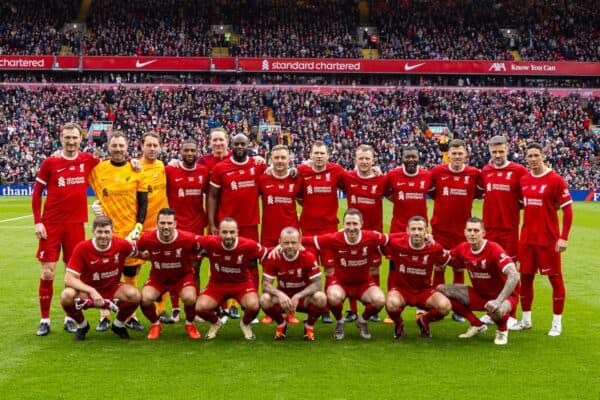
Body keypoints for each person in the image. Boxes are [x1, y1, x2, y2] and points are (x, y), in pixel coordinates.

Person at [32, 122, 100, 336]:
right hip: (51, 224)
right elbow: (36, 193)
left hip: (76, 224)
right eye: (67, 137)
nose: (71, 141)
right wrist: (38, 221)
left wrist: (134, 162)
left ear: (81, 139)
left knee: (72, 274)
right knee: (48, 272)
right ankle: (45, 319)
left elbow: (112, 166)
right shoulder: (50, 162)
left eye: (74, 138)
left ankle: (69, 317)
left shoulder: (88, 160)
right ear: (61, 138)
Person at [89, 131, 148, 332]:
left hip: (130, 232)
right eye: (114, 146)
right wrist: (94, 204)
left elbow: (143, 203)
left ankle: (129, 314)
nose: (118, 149)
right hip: (106, 233)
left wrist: (139, 226)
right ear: (108, 147)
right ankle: (104, 314)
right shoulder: (98, 169)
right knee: (105, 273)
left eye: (121, 146)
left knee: (131, 271)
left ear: (127, 147)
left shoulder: (137, 170)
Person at [303, 208, 388, 340]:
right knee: (331, 297)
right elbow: (310, 240)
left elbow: (391, 239)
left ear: (361, 224)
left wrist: (424, 238)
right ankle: (340, 321)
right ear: (343, 224)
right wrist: (287, 243)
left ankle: (363, 320)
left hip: (363, 284)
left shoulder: (371, 237)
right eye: (348, 224)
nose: (351, 228)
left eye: (355, 223)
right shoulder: (335, 238)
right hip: (341, 283)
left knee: (380, 300)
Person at [516, 142, 573, 336]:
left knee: (555, 280)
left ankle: (557, 323)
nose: (532, 159)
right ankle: (525, 320)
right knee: (525, 279)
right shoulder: (524, 179)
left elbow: (568, 210)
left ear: (543, 156)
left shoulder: (555, 180)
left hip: (548, 240)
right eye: (529, 156)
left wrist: (563, 238)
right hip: (526, 240)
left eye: (536, 155)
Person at [437, 218, 520, 345]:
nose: (472, 233)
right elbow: (446, 257)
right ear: (464, 232)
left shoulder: (494, 248)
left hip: (504, 298)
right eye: (469, 230)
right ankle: (477, 324)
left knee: (497, 311)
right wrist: (431, 245)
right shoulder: (463, 248)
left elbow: (514, 275)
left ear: (483, 233)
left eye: (476, 230)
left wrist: (498, 301)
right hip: (480, 295)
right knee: (441, 289)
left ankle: (502, 331)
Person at [59, 216, 141, 341]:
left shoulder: (121, 244)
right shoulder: (82, 248)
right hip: (88, 290)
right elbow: (69, 279)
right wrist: (92, 291)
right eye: (100, 232)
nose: (103, 235)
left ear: (112, 232)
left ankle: (118, 325)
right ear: (93, 232)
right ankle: (82, 326)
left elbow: (141, 254)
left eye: (107, 232)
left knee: (135, 295)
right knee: (66, 295)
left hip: (113, 287)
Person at [207, 133, 266, 290]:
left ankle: (251, 300)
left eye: (242, 144)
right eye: (236, 144)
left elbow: (277, 168)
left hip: (250, 224)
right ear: (230, 146)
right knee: (223, 261)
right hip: (226, 224)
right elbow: (212, 197)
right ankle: (224, 304)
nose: (239, 147)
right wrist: (212, 224)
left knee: (252, 262)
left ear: (249, 146)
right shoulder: (220, 168)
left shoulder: (258, 165)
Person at [480, 135, 528, 329]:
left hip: (509, 231)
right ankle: (492, 312)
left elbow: (527, 197)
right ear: (490, 152)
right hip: (489, 231)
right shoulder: (486, 171)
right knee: (491, 273)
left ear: (507, 149)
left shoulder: (518, 171)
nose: (498, 155)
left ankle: (511, 314)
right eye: (494, 152)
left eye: (501, 151)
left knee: (511, 273)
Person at [297, 140, 346, 323]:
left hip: (329, 229)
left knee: (330, 268)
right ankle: (314, 304)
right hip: (308, 230)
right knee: (310, 269)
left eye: (322, 153)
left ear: (327, 155)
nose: (319, 156)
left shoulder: (336, 171)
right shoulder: (302, 171)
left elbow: (352, 184)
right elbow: (298, 196)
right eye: (316, 153)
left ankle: (326, 307)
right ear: (310, 155)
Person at [194, 218, 268, 340]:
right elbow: (188, 239)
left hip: (242, 284)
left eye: (232, 232)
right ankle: (216, 322)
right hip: (217, 285)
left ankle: (245, 324)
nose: (228, 235)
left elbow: (268, 254)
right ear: (218, 232)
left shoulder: (248, 244)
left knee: (254, 305)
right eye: (225, 232)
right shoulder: (210, 242)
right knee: (199, 307)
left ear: (237, 232)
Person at [429, 139, 482, 304]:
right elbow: (432, 193)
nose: (457, 156)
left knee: (459, 267)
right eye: (454, 154)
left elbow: (477, 194)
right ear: (448, 155)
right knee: (439, 266)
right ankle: (437, 303)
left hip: (462, 230)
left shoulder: (474, 174)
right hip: (441, 229)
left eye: (460, 153)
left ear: (466, 154)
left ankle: (458, 305)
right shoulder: (437, 171)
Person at [137, 208, 202, 340]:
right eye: (162, 223)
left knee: (190, 298)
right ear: (157, 224)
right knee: (144, 298)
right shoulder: (148, 238)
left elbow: (206, 246)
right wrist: (142, 256)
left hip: (182, 277)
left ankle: (190, 324)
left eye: (169, 223)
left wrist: (196, 258)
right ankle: (156, 324)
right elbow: (133, 249)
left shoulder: (187, 238)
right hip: (158, 278)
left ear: (175, 224)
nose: (166, 226)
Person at [382, 216, 451, 339]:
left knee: (445, 307)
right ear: (407, 230)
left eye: (420, 229)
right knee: (391, 304)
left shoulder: (434, 247)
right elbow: (379, 241)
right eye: (413, 229)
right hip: (401, 290)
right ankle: (399, 324)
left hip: (424, 291)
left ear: (426, 231)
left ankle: (424, 321)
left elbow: (447, 260)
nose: (417, 232)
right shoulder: (397, 243)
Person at [342, 144, 388, 323]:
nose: (364, 161)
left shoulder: (382, 180)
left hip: (373, 233)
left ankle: (373, 309)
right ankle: (352, 310)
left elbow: (392, 194)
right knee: (352, 268)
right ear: (355, 160)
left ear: (373, 160)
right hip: (352, 233)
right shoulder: (347, 177)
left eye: (367, 158)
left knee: (374, 268)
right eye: (361, 158)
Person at [258, 144, 303, 324]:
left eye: (283, 158)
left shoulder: (297, 178)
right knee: (268, 273)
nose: (279, 161)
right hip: (268, 234)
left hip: (291, 237)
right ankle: (270, 311)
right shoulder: (263, 179)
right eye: (276, 158)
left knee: (290, 274)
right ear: (270, 160)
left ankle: (290, 312)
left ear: (289, 159)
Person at [165, 138, 209, 321]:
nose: (189, 154)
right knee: (173, 269)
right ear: (180, 152)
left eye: (192, 150)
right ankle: (175, 308)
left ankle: (195, 308)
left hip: (197, 227)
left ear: (197, 152)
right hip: (176, 228)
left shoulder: (204, 172)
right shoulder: (170, 170)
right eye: (186, 151)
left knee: (195, 268)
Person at [261, 227, 326, 341]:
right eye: (286, 242)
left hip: (302, 300)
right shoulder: (274, 257)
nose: (290, 246)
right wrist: (280, 294)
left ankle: (309, 326)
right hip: (283, 301)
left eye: (293, 242)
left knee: (321, 298)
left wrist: (298, 296)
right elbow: (265, 285)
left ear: (299, 242)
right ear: (279, 242)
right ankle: (281, 324)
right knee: (264, 299)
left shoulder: (308, 257)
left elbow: (318, 284)